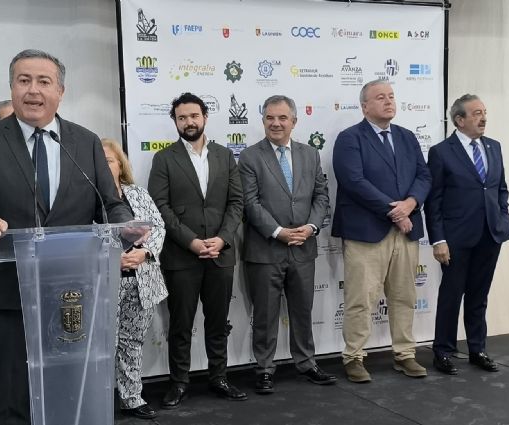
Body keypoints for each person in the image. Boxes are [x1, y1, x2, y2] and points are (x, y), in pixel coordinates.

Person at [0, 49, 133, 424]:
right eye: (24, 80)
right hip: (7, 292)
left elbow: (110, 205)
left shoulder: (85, 142)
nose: (33, 90)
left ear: (60, 92)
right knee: (12, 390)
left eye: (43, 82)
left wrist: (125, 227)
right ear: (12, 88)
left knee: (69, 388)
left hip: (73, 291)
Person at [148, 92, 247, 408]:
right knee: (180, 325)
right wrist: (190, 241)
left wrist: (223, 238)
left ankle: (219, 378)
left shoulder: (224, 156)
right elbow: (160, 207)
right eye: (182, 118)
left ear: (204, 116)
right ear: (175, 122)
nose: (188, 122)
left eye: (193, 116)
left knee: (218, 323)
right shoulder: (164, 159)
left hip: (220, 254)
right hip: (181, 257)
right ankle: (179, 383)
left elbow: (236, 203)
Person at [332, 80, 431, 383]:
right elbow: (354, 181)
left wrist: (410, 204)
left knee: (404, 296)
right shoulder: (350, 138)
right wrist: (395, 212)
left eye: (391, 96)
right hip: (366, 232)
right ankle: (354, 357)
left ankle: (405, 354)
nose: (388, 102)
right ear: (364, 106)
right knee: (361, 299)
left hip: (406, 231)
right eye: (380, 97)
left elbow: (424, 175)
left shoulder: (407, 137)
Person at [238, 95, 336, 395]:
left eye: (282, 118)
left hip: (303, 247)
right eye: (270, 117)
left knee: (303, 311)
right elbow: (250, 203)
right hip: (265, 249)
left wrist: (311, 227)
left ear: (294, 121)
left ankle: (306, 363)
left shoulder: (310, 154)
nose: (276, 123)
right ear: (263, 120)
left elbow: (321, 196)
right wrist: (278, 231)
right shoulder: (249, 157)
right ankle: (264, 368)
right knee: (265, 315)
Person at [424, 94, 509, 375]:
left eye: (484, 112)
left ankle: (477, 349)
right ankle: (443, 351)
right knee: (451, 295)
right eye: (476, 113)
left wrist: (503, 219)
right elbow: (433, 201)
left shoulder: (494, 146)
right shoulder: (441, 152)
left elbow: (500, 189)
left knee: (479, 295)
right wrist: (438, 239)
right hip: (455, 238)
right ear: (459, 120)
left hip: (490, 234)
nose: (483, 118)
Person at [101, 138, 167, 419]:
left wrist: (146, 252)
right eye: (99, 162)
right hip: (104, 282)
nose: (105, 166)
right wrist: (111, 258)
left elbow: (158, 226)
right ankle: (99, 401)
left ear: (120, 165)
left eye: (109, 161)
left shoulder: (138, 193)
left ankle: (132, 398)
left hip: (141, 281)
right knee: (104, 344)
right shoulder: (84, 197)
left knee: (132, 341)